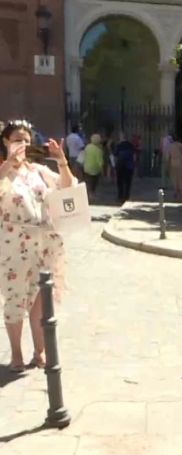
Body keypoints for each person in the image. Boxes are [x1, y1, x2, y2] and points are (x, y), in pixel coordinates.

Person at [0, 120, 72, 372]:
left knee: (41, 300)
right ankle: (16, 354)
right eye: (17, 139)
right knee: (15, 299)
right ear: (6, 142)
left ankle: (39, 352)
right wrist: (8, 163)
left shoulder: (39, 171)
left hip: (44, 243)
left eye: (27, 141)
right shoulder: (2, 171)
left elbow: (67, 187)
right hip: (13, 245)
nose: (23, 145)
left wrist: (61, 160)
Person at [113, 133, 136, 205]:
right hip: (129, 166)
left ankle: (120, 197)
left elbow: (115, 156)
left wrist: (114, 165)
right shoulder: (130, 145)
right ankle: (127, 197)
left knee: (120, 183)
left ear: (121, 138)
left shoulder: (119, 146)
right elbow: (134, 156)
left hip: (120, 166)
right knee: (128, 183)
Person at [167, 136, 182, 201]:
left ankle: (176, 192)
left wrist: (168, 166)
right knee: (181, 178)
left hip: (173, 163)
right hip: (181, 163)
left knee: (174, 178)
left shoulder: (170, 146)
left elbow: (168, 157)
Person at [82, 134, 105, 198]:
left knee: (88, 181)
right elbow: (100, 161)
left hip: (86, 167)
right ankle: (92, 193)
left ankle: (89, 193)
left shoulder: (87, 147)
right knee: (94, 182)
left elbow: (83, 155)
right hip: (95, 168)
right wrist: (102, 169)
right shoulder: (98, 150)